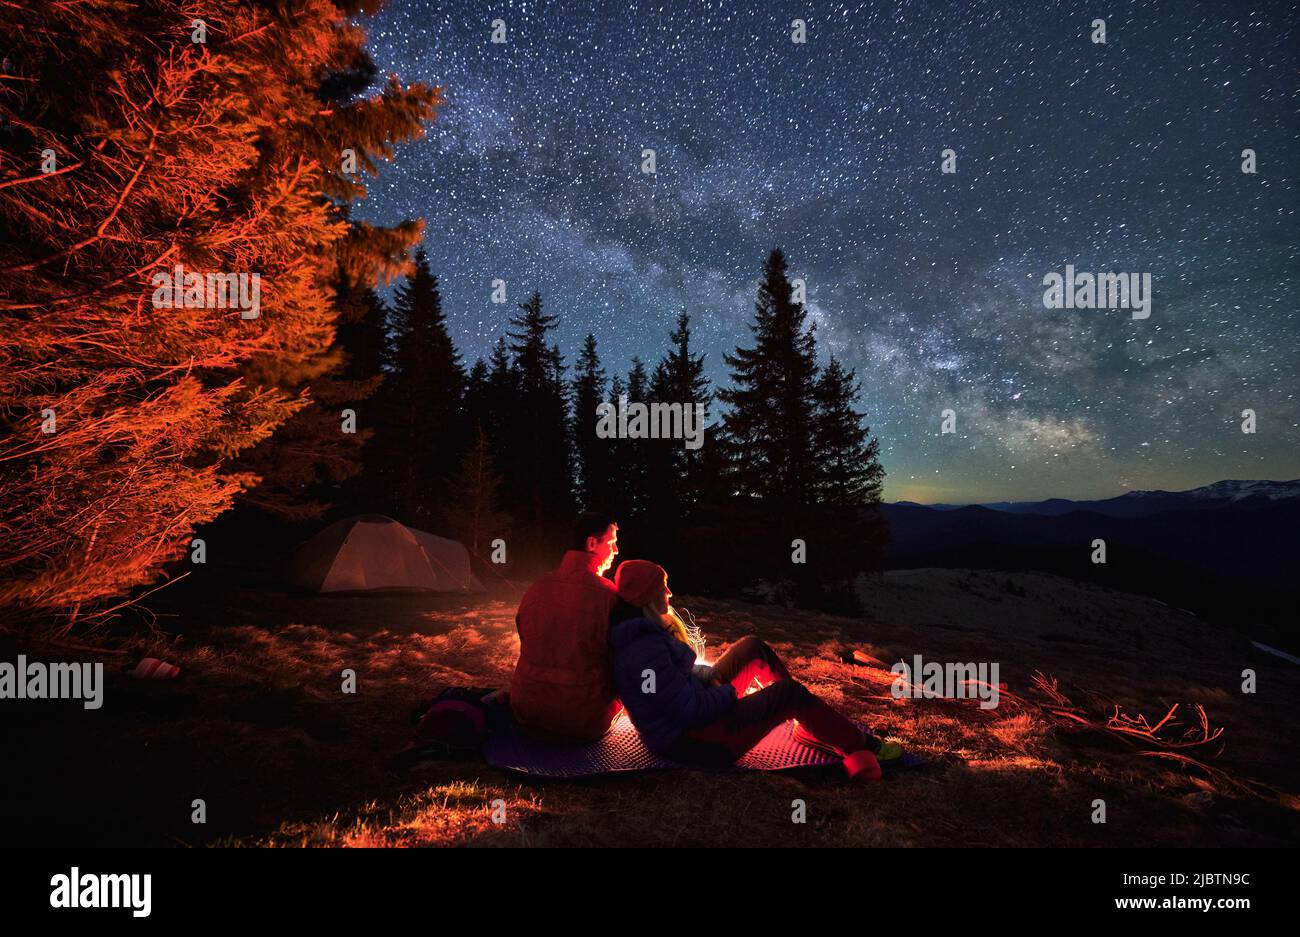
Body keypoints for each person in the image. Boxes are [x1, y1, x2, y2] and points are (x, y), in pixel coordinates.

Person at [609, 559, 900, 780]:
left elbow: (676, 681)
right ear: (647, 597)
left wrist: (706, 676)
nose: (669, 593)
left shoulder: (645, 636)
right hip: (697, 742)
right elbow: (690, 711)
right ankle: (863, 745)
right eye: (663, 587)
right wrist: (728, 692)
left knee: (752, 647)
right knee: (788, 693)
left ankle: (805, 723)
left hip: (695, 718)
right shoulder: (644, 651)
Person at [508, 512, 621, 741]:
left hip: (526, 710)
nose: (616, 550)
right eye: (612, 542)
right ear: (591, 543)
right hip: (583, 719)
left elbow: (526, 640)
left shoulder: (536, 588)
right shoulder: (608, 595)